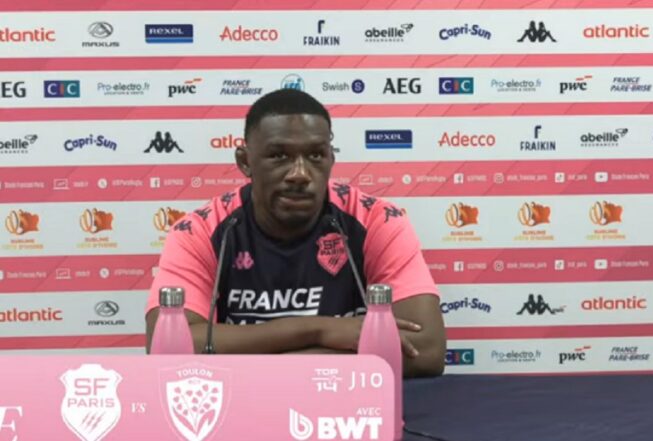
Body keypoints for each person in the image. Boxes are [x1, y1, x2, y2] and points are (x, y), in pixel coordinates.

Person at [145, 89, 446, 377]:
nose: (300, 174)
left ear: (331, 159)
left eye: (315, 155)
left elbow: (427, 349)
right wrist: (321, 330)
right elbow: (169, 348)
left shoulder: (377, 220)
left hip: (347, 403)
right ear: (245, 162)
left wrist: (273, 362)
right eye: (279, 156)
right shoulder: (200, 231)